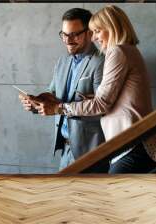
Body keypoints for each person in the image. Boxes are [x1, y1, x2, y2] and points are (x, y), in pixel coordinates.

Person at [34, 5, 156, 174]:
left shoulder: (117, 51)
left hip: (130, 142)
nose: (94, 37)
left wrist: (59, 108)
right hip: (130, 143)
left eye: (97, 31)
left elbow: (101, 103)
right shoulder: (129, 51)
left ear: (112, 27)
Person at [19, 8, 108, 172]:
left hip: (91, 151)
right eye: (64, 34)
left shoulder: (101, 62)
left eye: (74, 34)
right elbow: (52, 96)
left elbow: (102, 108)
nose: (68, 40)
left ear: (89, 33)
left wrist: (60, 107)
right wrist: (36, 103)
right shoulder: (62, 62)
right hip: (65, 149)